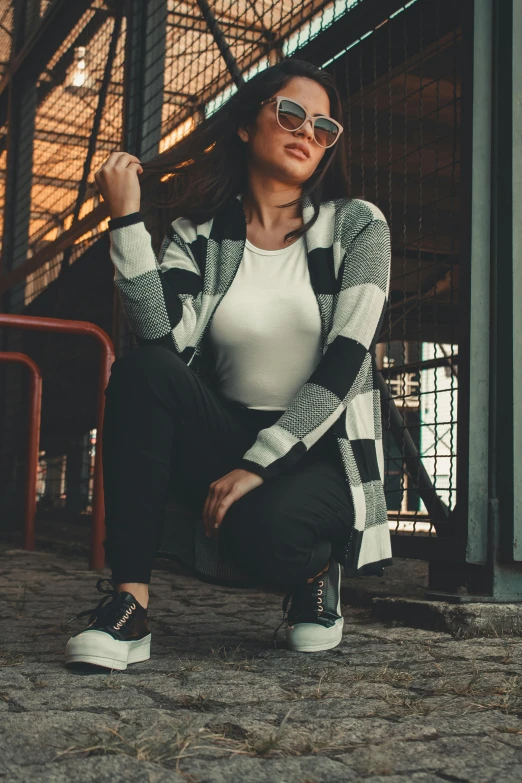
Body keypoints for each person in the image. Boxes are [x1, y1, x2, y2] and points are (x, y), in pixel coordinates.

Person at [64, 58, 392, 671]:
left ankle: (318, 571)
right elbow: (159, 334)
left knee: (265, 535)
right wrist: (127, 219)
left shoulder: (356, 225)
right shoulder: (198, 235)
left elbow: (346, 364)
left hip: (322, 448)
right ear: (247, 125)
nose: (306, 133)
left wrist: (257, 466)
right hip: (226, 428)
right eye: (290, 113)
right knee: (141, 372)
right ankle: (129, 606)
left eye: (324, 128)